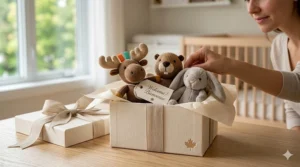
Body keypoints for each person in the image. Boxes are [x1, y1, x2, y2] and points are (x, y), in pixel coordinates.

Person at [184, 0, 300, 131]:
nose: (251, 9)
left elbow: (297, 86)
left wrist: (228, 65)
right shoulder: (279, 45)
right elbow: (293, 105)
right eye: (247, 0)